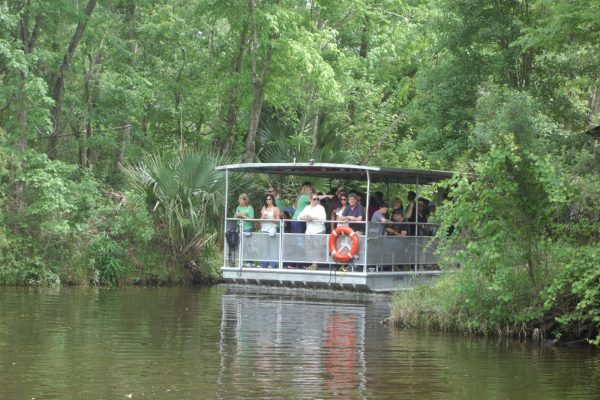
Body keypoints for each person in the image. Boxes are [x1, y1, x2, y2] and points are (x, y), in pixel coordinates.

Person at [298, 193, 327, 270]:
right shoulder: (307, 207)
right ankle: (313, 264)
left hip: (318, 230)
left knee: (317, 249)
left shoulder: (321, 208)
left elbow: (323, 219)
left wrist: (312, 218)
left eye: (317, 199)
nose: (316, 200)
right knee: (309, 248)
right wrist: (306, 218)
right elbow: (299, 216)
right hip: (309, 231)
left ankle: (315, 265)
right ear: (310, 199)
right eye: (314, 199)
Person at [259, 194, 280, 268]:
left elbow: (278, 221)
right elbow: (260, 220)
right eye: (267, 199)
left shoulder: (276, 208)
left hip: (272, 229)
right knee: (264, 247)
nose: (268, 200)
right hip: (264, 229)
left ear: (272, 200)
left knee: (272, 247)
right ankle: (263, 264)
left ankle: (272, 264)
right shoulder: (264, 208)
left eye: (270, 199)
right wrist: (263, 217)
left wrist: (270, 218)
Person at [234, 193, 254, 267]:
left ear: (245, 200)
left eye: (240, 199)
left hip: (247, 228)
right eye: (239, 199)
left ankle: (250, 262)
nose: (239, 201)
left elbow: (251, 219)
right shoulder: (238, 207)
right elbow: (235, 217)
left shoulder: (250, 208)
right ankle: (241, 261)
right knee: (240, 245)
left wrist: (243, 215)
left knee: (248, 245)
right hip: (239, 227)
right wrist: (237, 215)